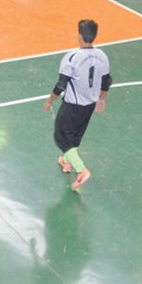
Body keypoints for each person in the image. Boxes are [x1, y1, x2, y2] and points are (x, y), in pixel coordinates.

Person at [43, 19, 111, 193]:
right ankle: (67, 162)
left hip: (73, 104)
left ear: (80, 36)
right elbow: (106, 80)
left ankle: (81, 170)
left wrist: (50, 101)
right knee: (75, 135)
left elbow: (61, 85)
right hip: (89, 105)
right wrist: (102, 99)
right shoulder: (102, 55)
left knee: (61, 136)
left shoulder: (72, 57)